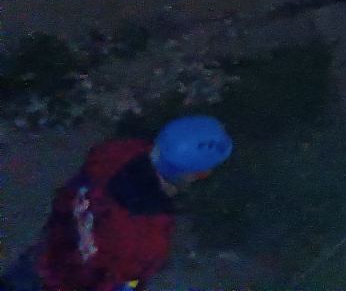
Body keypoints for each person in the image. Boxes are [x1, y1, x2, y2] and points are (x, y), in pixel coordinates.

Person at [1, 116, 234, 291]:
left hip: (47, 253)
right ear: (199, 174)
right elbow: (123, 283)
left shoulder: (115, 152)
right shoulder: (147, 239)